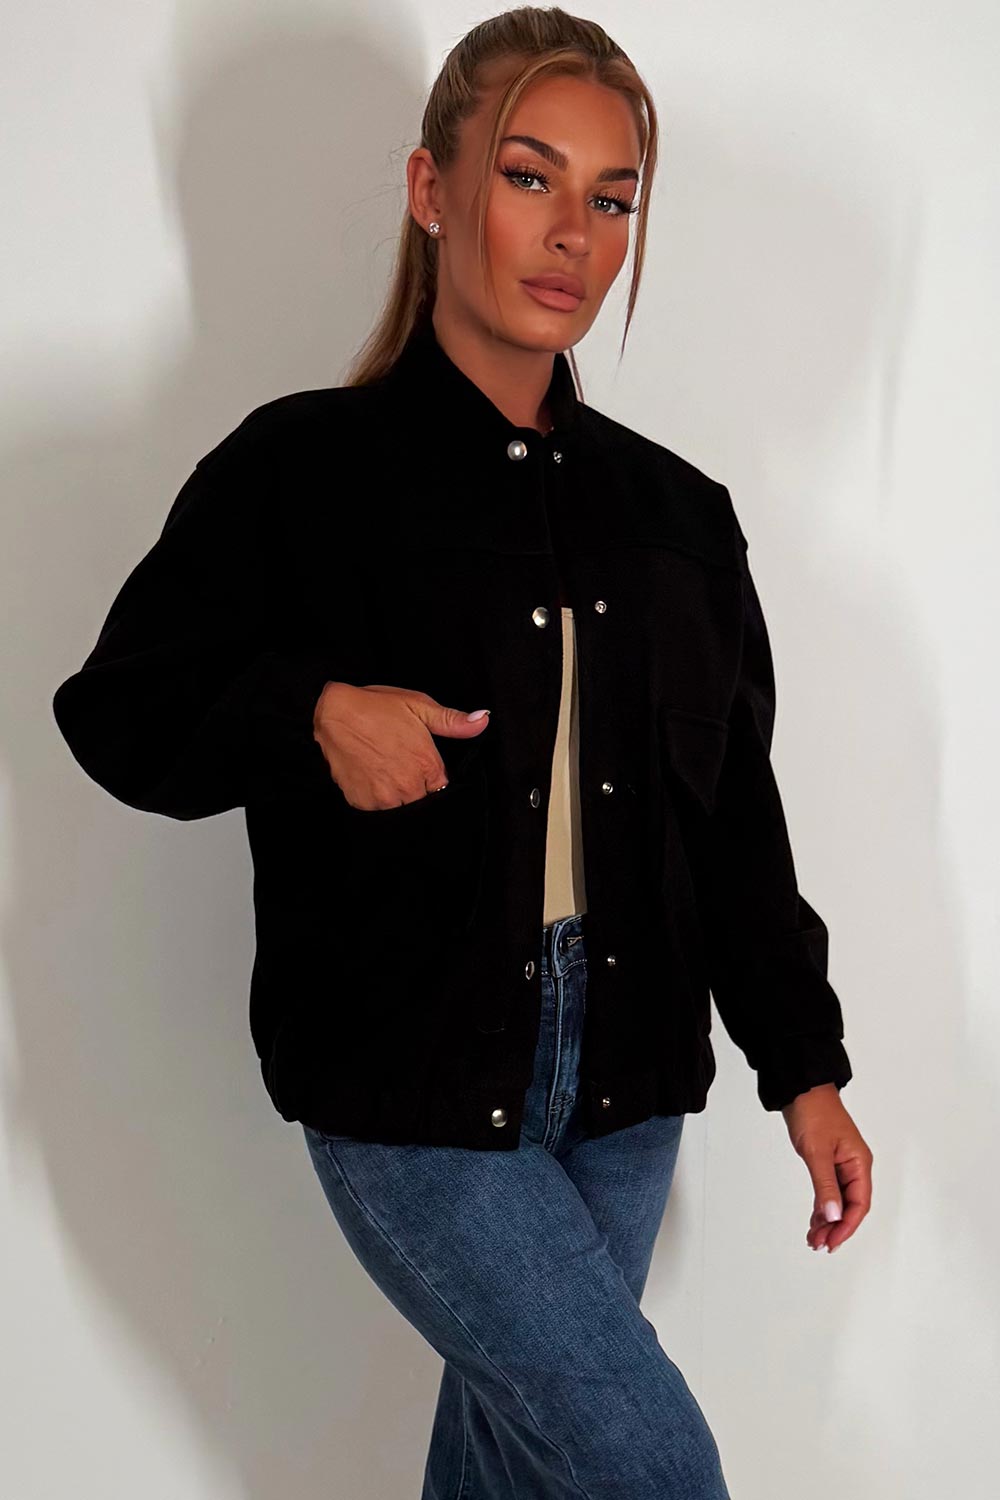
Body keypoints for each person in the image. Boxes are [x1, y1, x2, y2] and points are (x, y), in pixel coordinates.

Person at [52, 8, 873, 1496]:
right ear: (434, 190)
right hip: (411, 1084)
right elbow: (118, 711)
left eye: (611, 198)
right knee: (653, 1470)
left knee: (516, 1476)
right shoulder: (298, 471)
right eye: (529, 176)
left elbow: (733, 824)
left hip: (625, 1087)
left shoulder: (678, 518)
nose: (571, 235)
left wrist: (804, 1070)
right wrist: (311, 709)